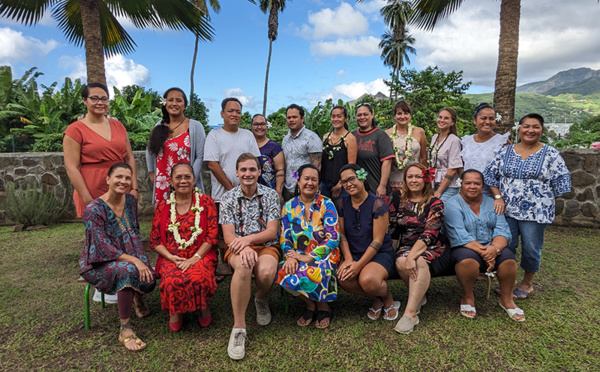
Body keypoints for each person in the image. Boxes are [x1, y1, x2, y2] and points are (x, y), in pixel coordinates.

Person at [64, 82, 139, 304]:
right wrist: (90, 200)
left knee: (125, 233)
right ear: (85, 101)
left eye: (104, 98)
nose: (100, 102)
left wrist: (134, 187)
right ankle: (104, 284)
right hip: (93, 186)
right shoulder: (75, 130)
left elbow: (130, 158)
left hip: (121, 184)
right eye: (95, 98)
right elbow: (71, 167)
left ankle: (129, 281)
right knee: (100, 237)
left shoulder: (118, 126)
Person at [484, 113, 571, 299]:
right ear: (519, 129)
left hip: (536, 213)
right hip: (507, 210)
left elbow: (561, 183)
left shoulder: (550, 154)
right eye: (526, 126)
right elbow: (490, 175)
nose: (530, 130)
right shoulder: (505, 151)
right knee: (507, 245)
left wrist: (542, 201)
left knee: (531, 247)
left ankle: (527, 283)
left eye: (536, 127)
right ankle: (507, 280)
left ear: (542, 130)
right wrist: (498, 197)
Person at [79, 163, 155, 351]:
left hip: (128, 255)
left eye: (128, 178)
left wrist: (141, 260)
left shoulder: (130, 201)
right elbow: (101, 247)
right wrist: (135, 261)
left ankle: (137, 296)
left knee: (149, 276)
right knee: (129, 271)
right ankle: (125, 329)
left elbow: (134, 232)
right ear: (108, 179)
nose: (123, 181)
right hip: (98, 263)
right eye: (118, 177)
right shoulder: (93, 210)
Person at [219, 153, 281, 360]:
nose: (248, 174)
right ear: (236, 173)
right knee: (244, 267)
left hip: (265, 246)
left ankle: (260, 298)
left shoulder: (271, 195)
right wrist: (242, 246)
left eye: (252, 169)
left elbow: (272, 231)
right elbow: (228, 236)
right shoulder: (228, 198)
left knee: (265, 272)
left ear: (259, 172)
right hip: (236, 247)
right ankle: (239, 329)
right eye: (243, 170)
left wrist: (248, 240)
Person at [444, 170, 524, 322]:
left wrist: (494, 249)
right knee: (467, 261)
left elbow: (502, 230)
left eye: (477, 183)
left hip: (492, 245)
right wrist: (486, 253)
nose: (472, 186)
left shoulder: (493, 203)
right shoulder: (452, 204)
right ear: (461, 184)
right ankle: (468, 296)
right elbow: (458, 233)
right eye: (468, 183)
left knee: (508, 260)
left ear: (482, 185)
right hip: (466, 246)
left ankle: (506, 299)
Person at [150, 163, 219, 332]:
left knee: (198, 276)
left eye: (187, 177)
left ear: (194, 180)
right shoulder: (163, 206)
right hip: (172, 256)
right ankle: (176, 312)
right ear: (171, 181)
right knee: (172, 279)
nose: (183, 181)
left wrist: (194, 258)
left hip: (201, 255)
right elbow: (156, 240)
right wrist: (171, 257)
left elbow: (211, 235)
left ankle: (203, 308)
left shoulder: (206, 202)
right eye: (178, 177)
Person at [388, 163, 452, 334]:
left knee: (418, 261)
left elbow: (430, 233)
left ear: (425, 179)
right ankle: (418, 296)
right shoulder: (395, 198)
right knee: (401, 262)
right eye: (410, 176)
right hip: (406, 245)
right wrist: (391, 253)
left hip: (433, 246)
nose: (413, 180)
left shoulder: (435, 203)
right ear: (405, 179)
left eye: (418, 176)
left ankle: (410, 314)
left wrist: (412, 257)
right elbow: (393, 229)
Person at [275, 164, 340, 329]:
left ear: (318, 184)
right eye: (306, 178)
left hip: (324, 254)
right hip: (297, 254)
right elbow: (285, 237)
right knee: (283, 271)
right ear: (298, 181)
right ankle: (311, 304)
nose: (310, 183)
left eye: (314, 180)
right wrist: (290, 256)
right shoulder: (288, 206)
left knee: (320, 269)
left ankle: (323, 306)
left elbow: (333, 237)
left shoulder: (327, 204)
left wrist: (311, 256)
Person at [336, 164, 399, 321]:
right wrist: (349, 259)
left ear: (362, 177)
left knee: (368, 280)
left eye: (352, 179)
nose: (349, 184)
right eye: (344, 182)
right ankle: (375, 299)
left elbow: (377, 241)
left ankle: (387, 297)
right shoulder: (341, 204)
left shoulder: (377, 204)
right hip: (354, 252)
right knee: (343, 278)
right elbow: (341, 234)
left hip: (379, 253)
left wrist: (358, 265)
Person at [146, 87, 206, 204]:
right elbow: (150, 151)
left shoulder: (195, 126)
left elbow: (200, 156)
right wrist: (152, 173)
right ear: (165, 103)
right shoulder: (159, 125)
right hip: (163, 181)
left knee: (187, 216)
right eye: (170, 100)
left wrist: (191, 179)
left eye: (179, 100)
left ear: (184, 105)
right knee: (164, 218)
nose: (174, 103)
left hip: (185, 182)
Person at [204, 97, 261, 206]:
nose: (234, 114)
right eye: (230, 111)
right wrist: (232, 189)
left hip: (248, 196)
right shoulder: (214, 135)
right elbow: (212, 165)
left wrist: (246, 188)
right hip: (222, 197)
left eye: (238, 112)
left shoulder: (248, 135)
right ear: (222, 114)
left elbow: (255, 163)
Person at [460, 103, 510, 197]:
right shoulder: (466, 141)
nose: (487, 122)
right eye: (483, 118)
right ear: (475, 120)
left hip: (491, 195)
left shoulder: (502, 142)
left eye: (491, 118)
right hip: (467, 193)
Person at [352, 103, 395, 199]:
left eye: (365, 114)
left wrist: (382, 186)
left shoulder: (380, 135)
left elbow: (387, 162)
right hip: (358, 189)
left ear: (372, 115)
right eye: (359, 115)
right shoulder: (352, 136)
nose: (362, 117)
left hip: (376, 189)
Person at [281, 104, 323, 202]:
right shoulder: (285, 139)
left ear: (302, 118)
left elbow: (316, 166)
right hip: (288, 188)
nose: (291, 120)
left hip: (305, 189)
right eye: (289, 117)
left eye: (295, 117)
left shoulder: (311, 138)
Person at [385, 100, 427, 190]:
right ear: (395, 117)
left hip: (415, 180)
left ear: (410, 116)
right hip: (394, 179)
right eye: (399, 113)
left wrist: (424, 178)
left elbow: (424, 157)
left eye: (406, 113)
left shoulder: (419, 132)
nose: (402, 116)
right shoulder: (387, 134)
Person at [320, 105, 357, 200]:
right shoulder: (326, 137)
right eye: (333, 116)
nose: (336, 119)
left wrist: (340, 184)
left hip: (342, 185)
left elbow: (351, 165)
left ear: (345, 118)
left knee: (341, 211)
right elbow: (321, 161)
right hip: (324, 184)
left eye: (339, 116)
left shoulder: (350, 138)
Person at [429, 107, 463, 202]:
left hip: (449, 186)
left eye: (446, 118)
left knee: (438, 207)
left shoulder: (454, 140)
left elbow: (453, 169)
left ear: (452, 122)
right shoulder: (434, 137)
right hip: (434, 183)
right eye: (440, 117)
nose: (442, 120)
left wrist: (439, 191)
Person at [250, 114, 285, 199]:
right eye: (256, 124)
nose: (259, 127)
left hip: (269, 193)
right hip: (249, 192)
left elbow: (280, 171)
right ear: (251, 126)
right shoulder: (246, 145)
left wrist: (278, 193)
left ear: (266, 126)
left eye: (262, 124)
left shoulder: (274, 147)